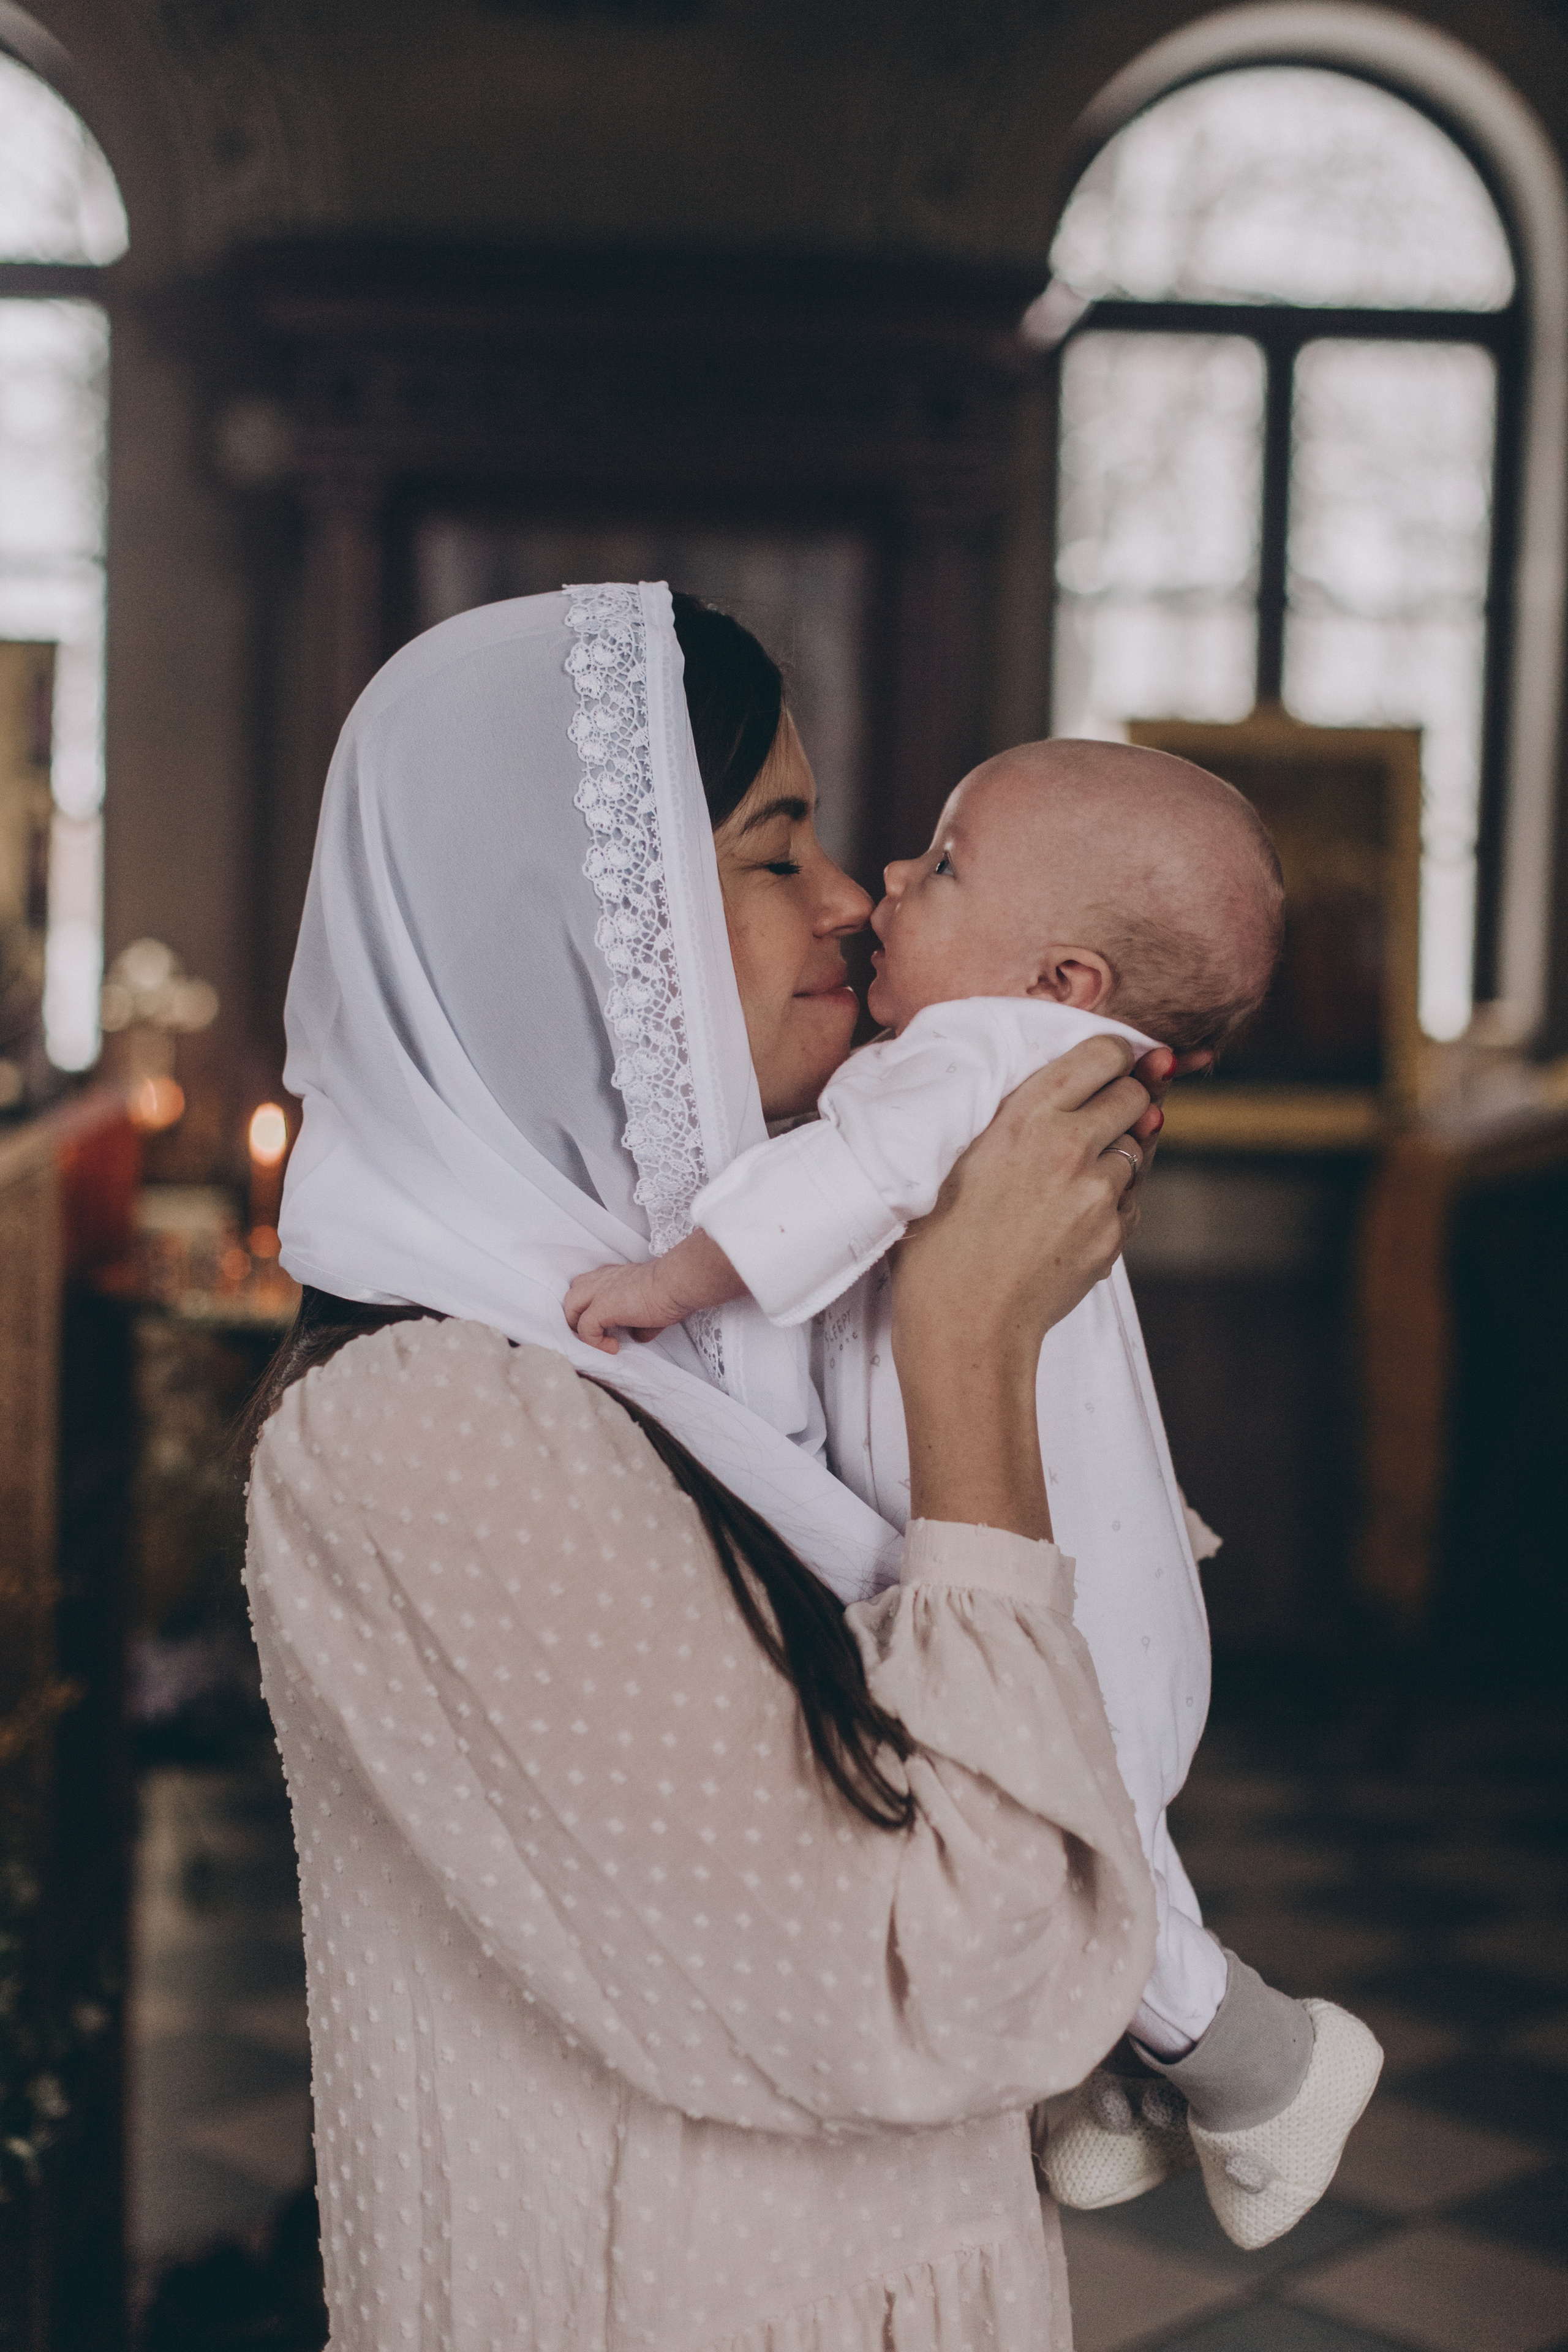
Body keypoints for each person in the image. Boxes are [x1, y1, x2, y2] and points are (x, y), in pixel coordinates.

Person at [241, 581, 1176, 2351]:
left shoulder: (730, 1354)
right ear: (592, 933)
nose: (852, 900)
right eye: (774, 851)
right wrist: (967, 1351)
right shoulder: (424, 1424)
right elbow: (942, 1990)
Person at [561, 739, 1385, 2250]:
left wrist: (669, 1278)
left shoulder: (973, 1058)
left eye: (940, 866)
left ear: (1060, 977)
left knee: (1079, 1842)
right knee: (1105, 1833)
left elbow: (839, 1188)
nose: (882, 882)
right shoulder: (1039, 1068)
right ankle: (1108, 2092)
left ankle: (1264, 2063)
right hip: (1101, 1571)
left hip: (1053, 1578)